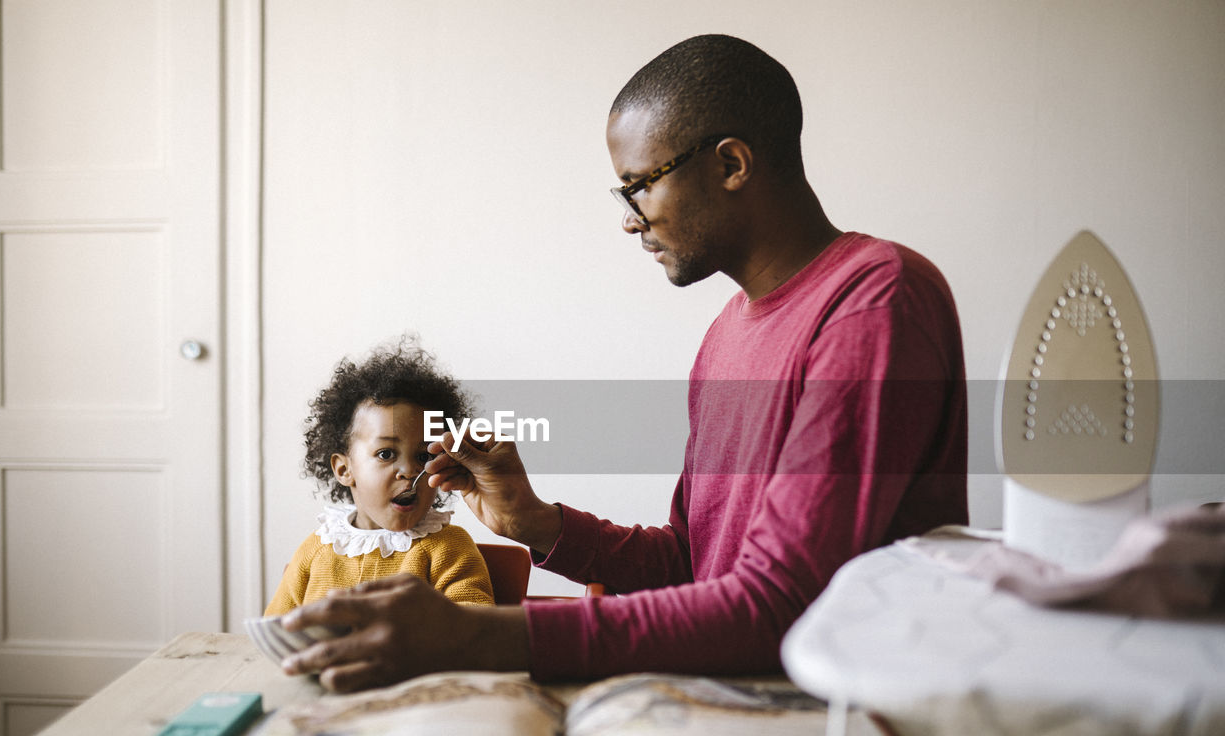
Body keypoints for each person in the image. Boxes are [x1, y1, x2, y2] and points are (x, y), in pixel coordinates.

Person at [280, 34, 968, 691]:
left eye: (639, 184)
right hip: (727, 694)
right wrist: (537, 522)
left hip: (835, 726)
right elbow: (689, 563)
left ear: (731, 164)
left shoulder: (874, 300)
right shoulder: (725, 336)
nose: (629, 218)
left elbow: (780, 605)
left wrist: (479, 635)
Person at [264, 339, 494, 616]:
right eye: (386, 454)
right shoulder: (316, 549)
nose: (409, 471)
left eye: (424, 456)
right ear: (344, 470)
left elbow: (476, 629)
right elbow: (276, 628)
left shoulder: (448, 548)